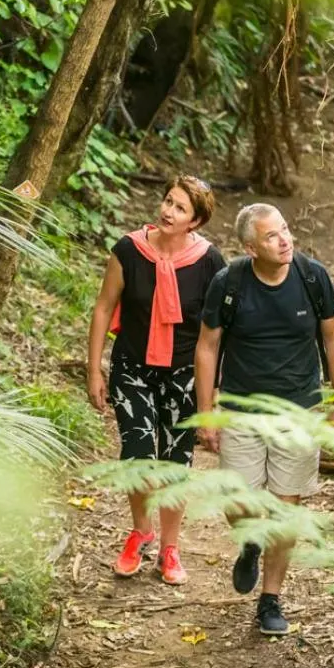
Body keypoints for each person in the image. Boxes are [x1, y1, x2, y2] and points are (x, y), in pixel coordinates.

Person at [192, 203, 334, 635]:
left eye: (285, 229)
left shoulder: (312, 277)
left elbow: (333, 338)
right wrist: (206, 414)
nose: (285, 240)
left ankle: (270, 600)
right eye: (272, 237)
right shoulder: (230, 283)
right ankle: (249, 542)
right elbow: (207, 347)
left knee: (285, 507)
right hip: (242, 408)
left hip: (299, 409)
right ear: (250, 247)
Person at [87, 175, 227, 585]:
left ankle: (169, 547)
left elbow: (214, 335)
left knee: (175, 462)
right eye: (168, 201)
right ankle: (140, 531)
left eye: (180, 208)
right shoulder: (129, 251)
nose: (168, 211)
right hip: (132, 366)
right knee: (136, 453)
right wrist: (94, 368)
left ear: (195, 222)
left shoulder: (209, 262)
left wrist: (210, 399)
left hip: (184, 372)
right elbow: (103, 308)